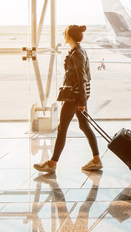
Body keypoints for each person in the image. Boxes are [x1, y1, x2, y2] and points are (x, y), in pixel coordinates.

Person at [34, 24, 102, 174]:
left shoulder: (77, 53)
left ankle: (52, 163)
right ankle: (96, 160)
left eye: (65, 33)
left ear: (69, 36)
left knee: (62, 128)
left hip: (75, 96)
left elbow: (82, 78)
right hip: (78, 95)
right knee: (84, 126)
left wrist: (82, 102)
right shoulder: (79, 50)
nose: (63, 35)